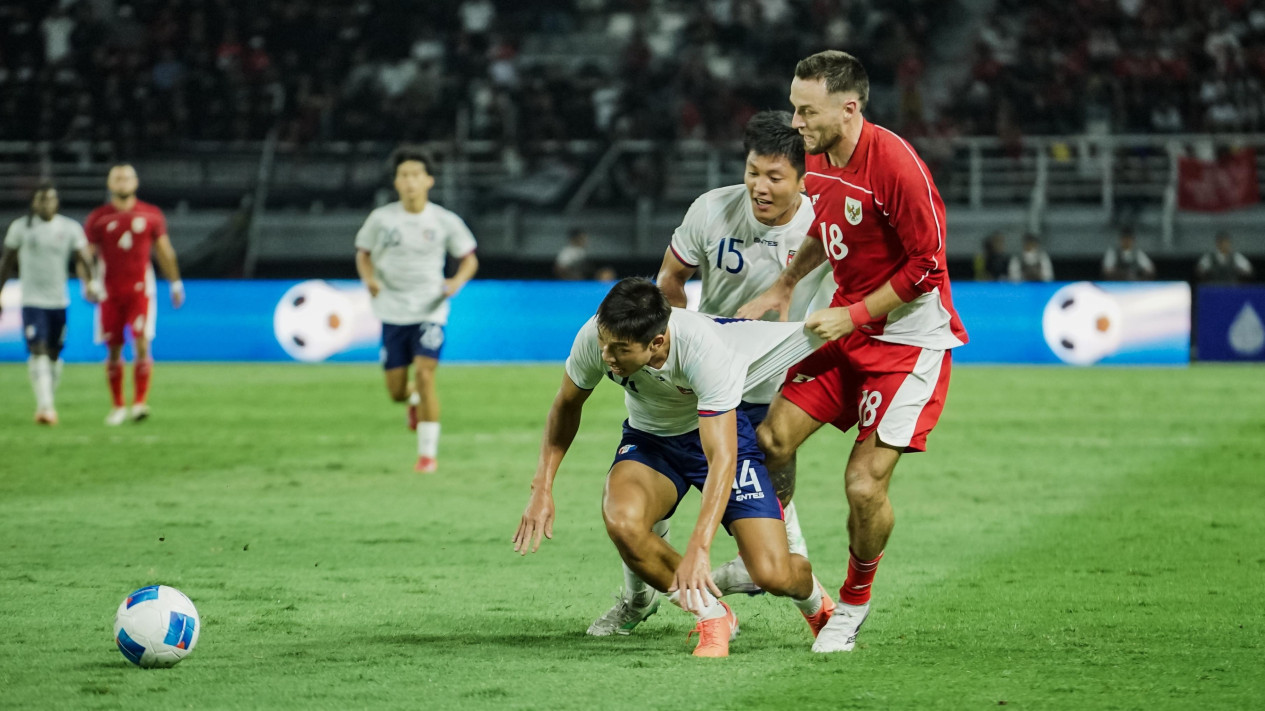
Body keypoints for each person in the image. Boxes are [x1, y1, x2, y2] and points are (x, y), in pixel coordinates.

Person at [738, 50, 968, 653]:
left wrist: (855, 313)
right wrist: (787, 282)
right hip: (848, 330)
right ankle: (786, 550)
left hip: (907, 341)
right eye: (794, 105)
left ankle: (854, 602)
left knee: (864, 487)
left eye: (805, 109)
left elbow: (928, 266)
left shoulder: (896, 166)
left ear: (849, 107)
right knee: (772, 438)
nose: (795, 120)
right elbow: (827, 225)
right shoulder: (816, 154)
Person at [587, 110, 835, 637]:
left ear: (802, 178)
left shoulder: (823, 225)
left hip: (776, 374)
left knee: (772, 450)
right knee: (644, 503)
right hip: (701, 375)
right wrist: (680, 349)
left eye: (774, 177)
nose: (759, 187)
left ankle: (791, 583)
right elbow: (670, 278)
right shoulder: (712, 210)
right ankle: (637, 600)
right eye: (752, 172)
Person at [513, 278, 835, 657]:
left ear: (657, 343)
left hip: (719, 443)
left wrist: (699, 547)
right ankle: (712, 615)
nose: (606, 356)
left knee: (772, 573)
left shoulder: (705, 352)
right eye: (603, 343)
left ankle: (820, 606)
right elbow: (566, 405)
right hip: (651, 442)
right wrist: (542, 488)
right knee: (623, 522)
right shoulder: (598, 336)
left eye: (619, 349)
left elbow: (721, 459)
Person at [355, 147, 479, 473]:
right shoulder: (381, 219)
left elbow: (469, 258)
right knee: (396, 391)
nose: (409, 181)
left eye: (415, 175)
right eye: (403, 175)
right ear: (396, 182)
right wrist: (368, 279)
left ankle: (427, 457)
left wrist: (456, 283)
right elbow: (363, 253)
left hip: (430, 309)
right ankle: (411, 401)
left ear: (428, 181)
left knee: (425, 375)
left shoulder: (444, 220)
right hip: (393, 310)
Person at [85, 164, 185, 426]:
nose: (122, 182)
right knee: (114, 349)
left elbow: (165, 251)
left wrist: (175, 283)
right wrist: (87, 283)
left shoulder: (151, 215)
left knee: (142, 343)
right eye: (117, 178)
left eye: (127, 177)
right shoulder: (99, 217)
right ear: (109, 184)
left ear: (136, 182)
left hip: (141, 289)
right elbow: (86, 256)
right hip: (110, 292)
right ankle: (118, 406)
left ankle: (139, 402)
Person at [0, 183, 98, 424]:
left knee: (54, 354)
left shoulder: (69, 227)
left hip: (59, 301)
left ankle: (47, 401)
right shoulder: (20, 228)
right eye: (41, 200)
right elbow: (6, 263)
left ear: (57, 202)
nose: (45, 204)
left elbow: (84, 258)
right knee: (38, 349)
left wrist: (91, 283)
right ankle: (46, 407)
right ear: (34, 202)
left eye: (50, 199)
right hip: (32, 301)